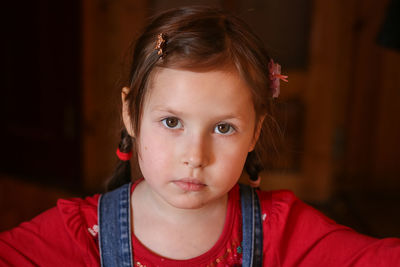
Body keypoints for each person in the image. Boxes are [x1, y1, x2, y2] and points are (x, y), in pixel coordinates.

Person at [1, 6, 399, 267]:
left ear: (255, 131)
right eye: (172, 122)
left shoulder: (281, 228)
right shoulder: (81, 234)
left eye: (223, 128)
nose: (196, 155)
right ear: (131, 114)